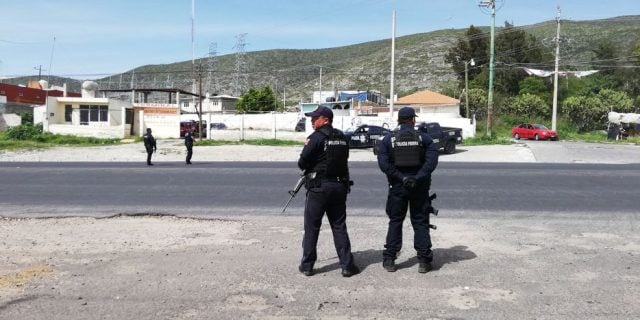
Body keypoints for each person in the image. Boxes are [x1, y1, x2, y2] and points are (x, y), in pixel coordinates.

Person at [296, 105, 360, 277]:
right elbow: (343, 161)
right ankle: (347, 265)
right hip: (339, 187)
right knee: (339, 226)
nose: (312, 121)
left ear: (325, 119)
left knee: (312, 227)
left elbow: (302, 163)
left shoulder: (316, 138)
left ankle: (307, 265)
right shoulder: (342, 137)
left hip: (319, 188)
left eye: (315, 118)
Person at [376, 107, 439, 273]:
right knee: (420, 222)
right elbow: (431, 164)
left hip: (397, 186)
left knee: (395, 221)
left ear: (398, 120)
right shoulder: (425, 139)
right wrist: (416, 178)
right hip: (419, 187)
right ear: (413, 120)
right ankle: (424, 261)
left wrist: (401, 178)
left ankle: (389, 259)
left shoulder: (387, 140)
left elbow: (384, 165)